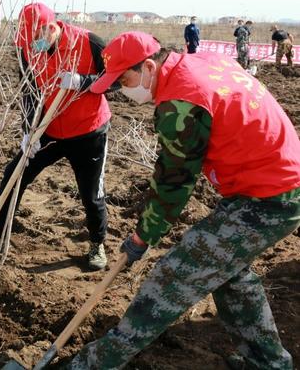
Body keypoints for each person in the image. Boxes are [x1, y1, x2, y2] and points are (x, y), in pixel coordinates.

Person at [63, 31, 300, 370]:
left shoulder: (181, 102)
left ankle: (91, 365)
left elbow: (174, 182)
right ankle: (268, 362)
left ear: (148, 66)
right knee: (229, 272)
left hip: (271, 194)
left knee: (175, 276)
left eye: (125, 79)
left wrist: (143, 235)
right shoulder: (200, 61)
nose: (123, 90)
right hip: (273, 179)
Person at [0, 2, 112, 270]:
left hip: (88, 131)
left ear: (51, 27)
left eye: (36, 38)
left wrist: (82, 82)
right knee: (14, 175)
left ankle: (98, 243)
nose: (32, 45)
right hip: (48, 130)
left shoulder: (90, 43)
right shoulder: (27, 49)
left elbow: (117, 78)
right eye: (27, 41)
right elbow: (28, 91)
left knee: (90, 192)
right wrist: (30, 131)